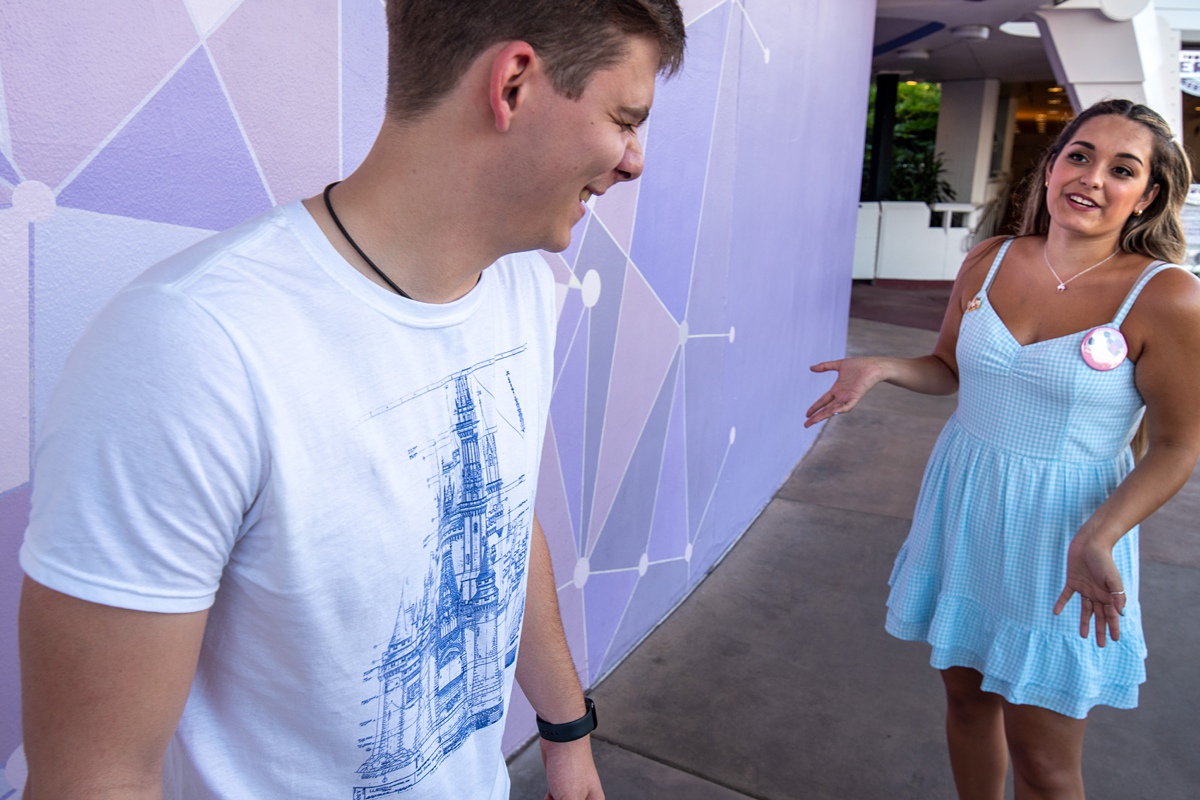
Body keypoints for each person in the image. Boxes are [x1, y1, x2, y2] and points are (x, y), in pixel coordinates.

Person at [17, 2, 685, 798]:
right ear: (512, 85)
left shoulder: (520, 287)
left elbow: (505, 518)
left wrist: (566, 733)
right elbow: (94, 777)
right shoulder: (189, 352)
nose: (634, 161)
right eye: (624, 117)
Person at [805, 98, 1200, 799]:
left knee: (1046, 765)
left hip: (1069, 534)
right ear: (1049, 169)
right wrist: (887, 367)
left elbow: (1177, 445)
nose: (1092, 177)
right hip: (967, 508)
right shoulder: (988, 262)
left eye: (1122, 168)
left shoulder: (1165, 296)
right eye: (1079, 155)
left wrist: (1101, 536)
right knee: (966, 706)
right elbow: (950, 369)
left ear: (1149, 195)